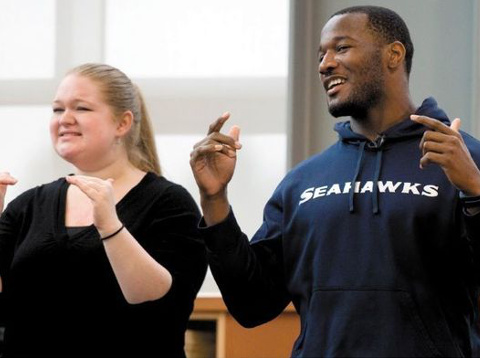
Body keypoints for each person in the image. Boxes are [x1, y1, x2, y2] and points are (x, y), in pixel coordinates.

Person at [190, 5, 480, 357]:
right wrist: (215, 201)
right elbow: (252, 304)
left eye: (341, 48)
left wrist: (475, 191)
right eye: (321, 54)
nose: (324, 64)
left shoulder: (464, 159)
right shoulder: (303, 181)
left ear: (394, 55)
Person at [0, 63, 207, 357]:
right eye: (58, 110)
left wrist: (111, 226)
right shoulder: (29, 205)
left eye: (81, 108)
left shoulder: (169, 204)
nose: (65, 119)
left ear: (122, 124)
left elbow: (155, 299)